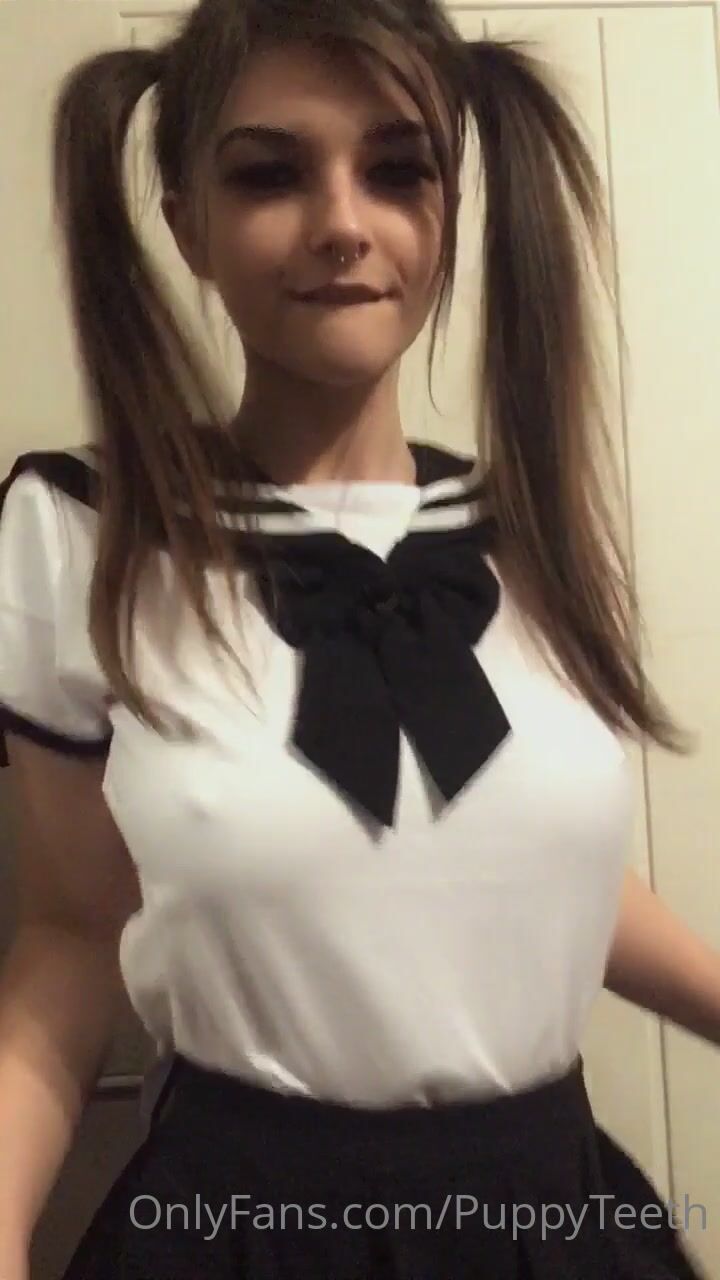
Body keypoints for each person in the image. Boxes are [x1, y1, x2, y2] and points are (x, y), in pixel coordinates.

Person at [0, 0, 717, 1276]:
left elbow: (537, 867)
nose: (343, 221)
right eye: (270, 174)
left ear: (450, 209)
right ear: (186, 221)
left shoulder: (531, 528)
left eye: (397, 170)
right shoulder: (80, 535)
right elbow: (70, 930)